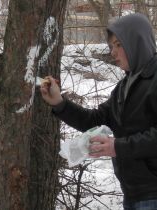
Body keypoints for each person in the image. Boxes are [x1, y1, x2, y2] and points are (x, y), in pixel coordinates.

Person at [40, 13, 157, 210]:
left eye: (119, 45)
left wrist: (117, 147)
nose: (113, 52)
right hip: (133, 193)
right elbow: (94, 119)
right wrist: (59, 103)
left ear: (137, 42)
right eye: (112, 46)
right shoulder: (123, 87)